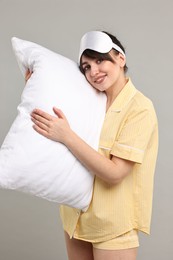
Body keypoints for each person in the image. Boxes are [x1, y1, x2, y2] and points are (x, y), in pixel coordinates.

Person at [27, 31, 158, 260]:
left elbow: (115, 173)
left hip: (113, 224)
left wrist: (67, 136)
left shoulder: (140, 108)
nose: (93, 72)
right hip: (76, 218)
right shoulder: (89, 99)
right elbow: (53, 119)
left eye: (99, 60)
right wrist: (34, 85)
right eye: (86, 67)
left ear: (120, 58)